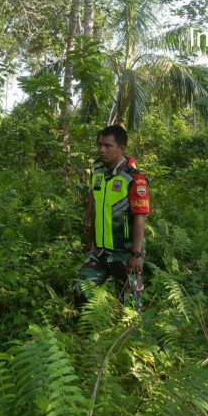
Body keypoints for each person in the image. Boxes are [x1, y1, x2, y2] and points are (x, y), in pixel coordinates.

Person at [74, 125, 150, 310]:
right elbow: (95, 205)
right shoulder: (97, 170)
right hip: (99, 251)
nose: (101, 150)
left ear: (121, 148)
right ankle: (84, 336)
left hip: (124, 253)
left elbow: (140, 217)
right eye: (100, 144)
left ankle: (129, 337)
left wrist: (136, 254)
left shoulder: (134, 179)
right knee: (81, 292)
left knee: (130, 307)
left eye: (108, 146)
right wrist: (89, 241)